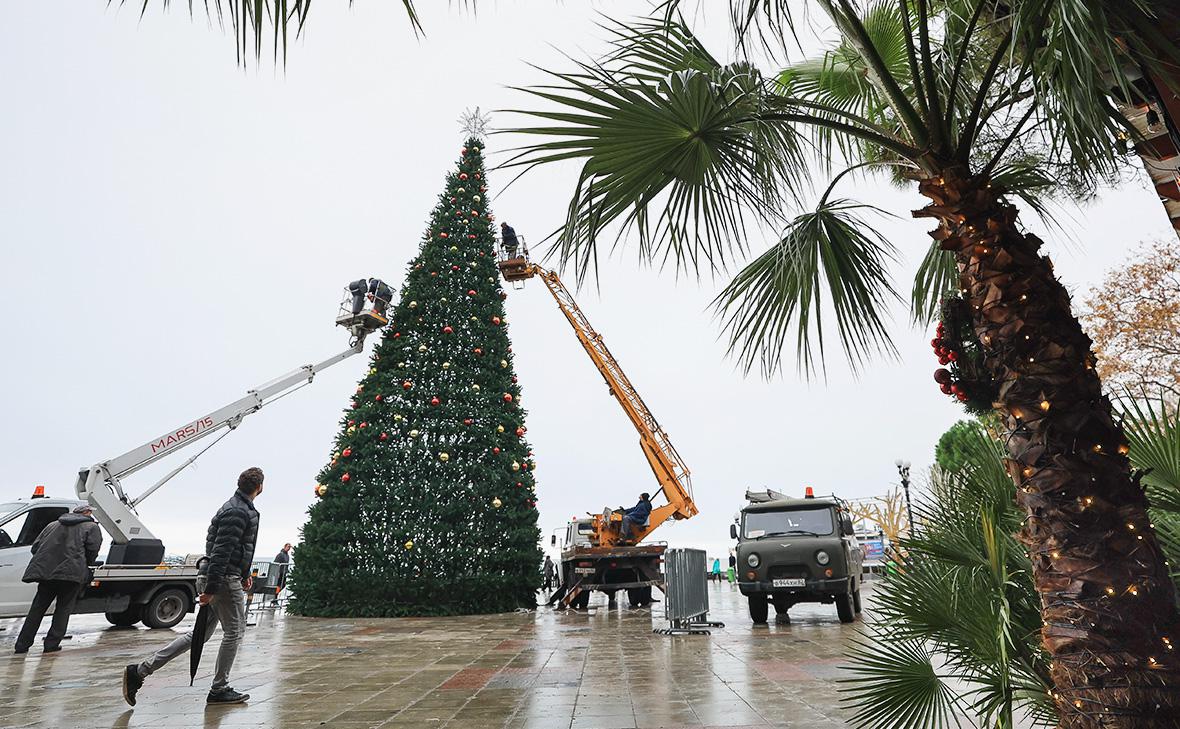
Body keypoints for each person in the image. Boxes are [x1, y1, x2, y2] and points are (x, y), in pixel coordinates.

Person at [122, 467, 263, 707]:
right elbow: (221, 552)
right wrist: (211, 589)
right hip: (222, 580)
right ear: (259, 487)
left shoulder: (234, 508)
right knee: (235, 632)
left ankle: (140, 670)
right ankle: (219, 688)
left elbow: (233, 548)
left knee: (198, 636)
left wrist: (244, 572)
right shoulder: (238, 512)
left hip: (220, 576)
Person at [14, 504, 103, 655]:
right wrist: (85, 563)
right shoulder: (91, 527)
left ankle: (22, 645)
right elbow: (93, 549)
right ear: (87, 513)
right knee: (63, 610)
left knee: (37, 609)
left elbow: (35, 547)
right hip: (71, 574)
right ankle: (51, 644)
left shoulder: (52, 525)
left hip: (46, 573)